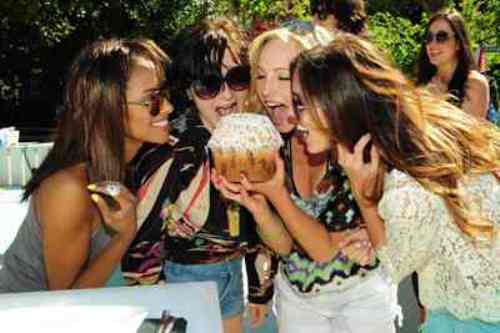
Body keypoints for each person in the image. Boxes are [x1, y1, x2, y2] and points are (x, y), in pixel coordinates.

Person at [290, 33, 500, 332]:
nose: (295, 116)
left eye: (301, 103)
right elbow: (432, 225)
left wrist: (364, 199)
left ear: (335, 101)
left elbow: (396, 262)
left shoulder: (403, 179)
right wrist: (377, 227)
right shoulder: (413, 134)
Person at [214, 22, 399, 333]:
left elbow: (322, 250)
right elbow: (286, 247)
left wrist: (278, 196)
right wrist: (260, 209)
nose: (267, 90)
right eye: (260, 75)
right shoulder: (268, 143)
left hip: (361, 295)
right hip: (297, 298)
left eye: (283, 76)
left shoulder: (349, 142)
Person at [121, 17, 275, 333]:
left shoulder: (252, 141)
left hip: (234, 273)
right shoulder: (172, 151)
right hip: (184, 278)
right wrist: (153, 307)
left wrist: (259, 289)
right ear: (190, 91)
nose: (226, 95)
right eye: (208, 84)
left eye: (237, 77)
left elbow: (252, 222)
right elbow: (142, 234)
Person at [0, 38, 173, 293]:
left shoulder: (123, 168)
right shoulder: (68, 190)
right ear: (108, 108)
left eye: (165, 94)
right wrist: (124, 236)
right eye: (153, 100)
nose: (169, 106)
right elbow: (66, 302)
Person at [416, 9, 490, 119]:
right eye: (429, 37)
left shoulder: (475, 84)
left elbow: (468, 134)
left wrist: (439, 102)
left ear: (458, 44)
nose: (432, 44)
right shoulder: (423, 84)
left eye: (441, 37)